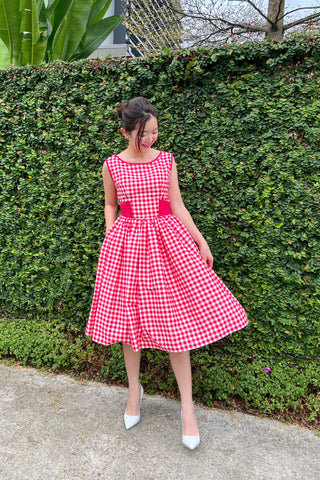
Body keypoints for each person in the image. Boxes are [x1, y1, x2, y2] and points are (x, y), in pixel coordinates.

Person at [85, 96, 248, 450]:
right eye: (144, 134)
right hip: (126, 247)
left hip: (166, 247)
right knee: (130, 325)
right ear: (126, 131)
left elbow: (176, 205)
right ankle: (134, 392)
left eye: (155, 132)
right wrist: (111, 237)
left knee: (178, 327)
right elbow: (110, 204)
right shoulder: (111, 165)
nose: (150, 139)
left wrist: (201, 240)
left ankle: (187, 407)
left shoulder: (166, 161)